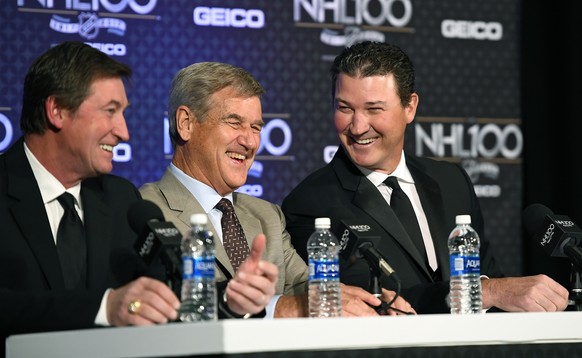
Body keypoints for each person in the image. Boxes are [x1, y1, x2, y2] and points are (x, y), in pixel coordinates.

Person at [0, 41, 278, 350]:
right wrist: (106, 307)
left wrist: (229, 299)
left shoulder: (121, 201)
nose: (123, 132)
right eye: (110, 112)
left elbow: (167, 298)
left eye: (123, 113)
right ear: (57, 111)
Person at [281, 41, 569, 314]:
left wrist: (494, 289)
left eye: (373, 109)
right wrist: (486, 291)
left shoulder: (451, 180)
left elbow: (485, 272)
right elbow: (373, 300)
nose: (357, 126)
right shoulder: (312, 202)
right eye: (345, 108)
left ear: (410, 107)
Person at [139, 61, 414, 317]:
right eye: (234, 122)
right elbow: (167, 304)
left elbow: (305, 287)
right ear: (186, 123)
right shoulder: (147, 211)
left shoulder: (266, 215)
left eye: (256, 127)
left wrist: (371, 300)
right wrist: (280, 307)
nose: (249, 141)